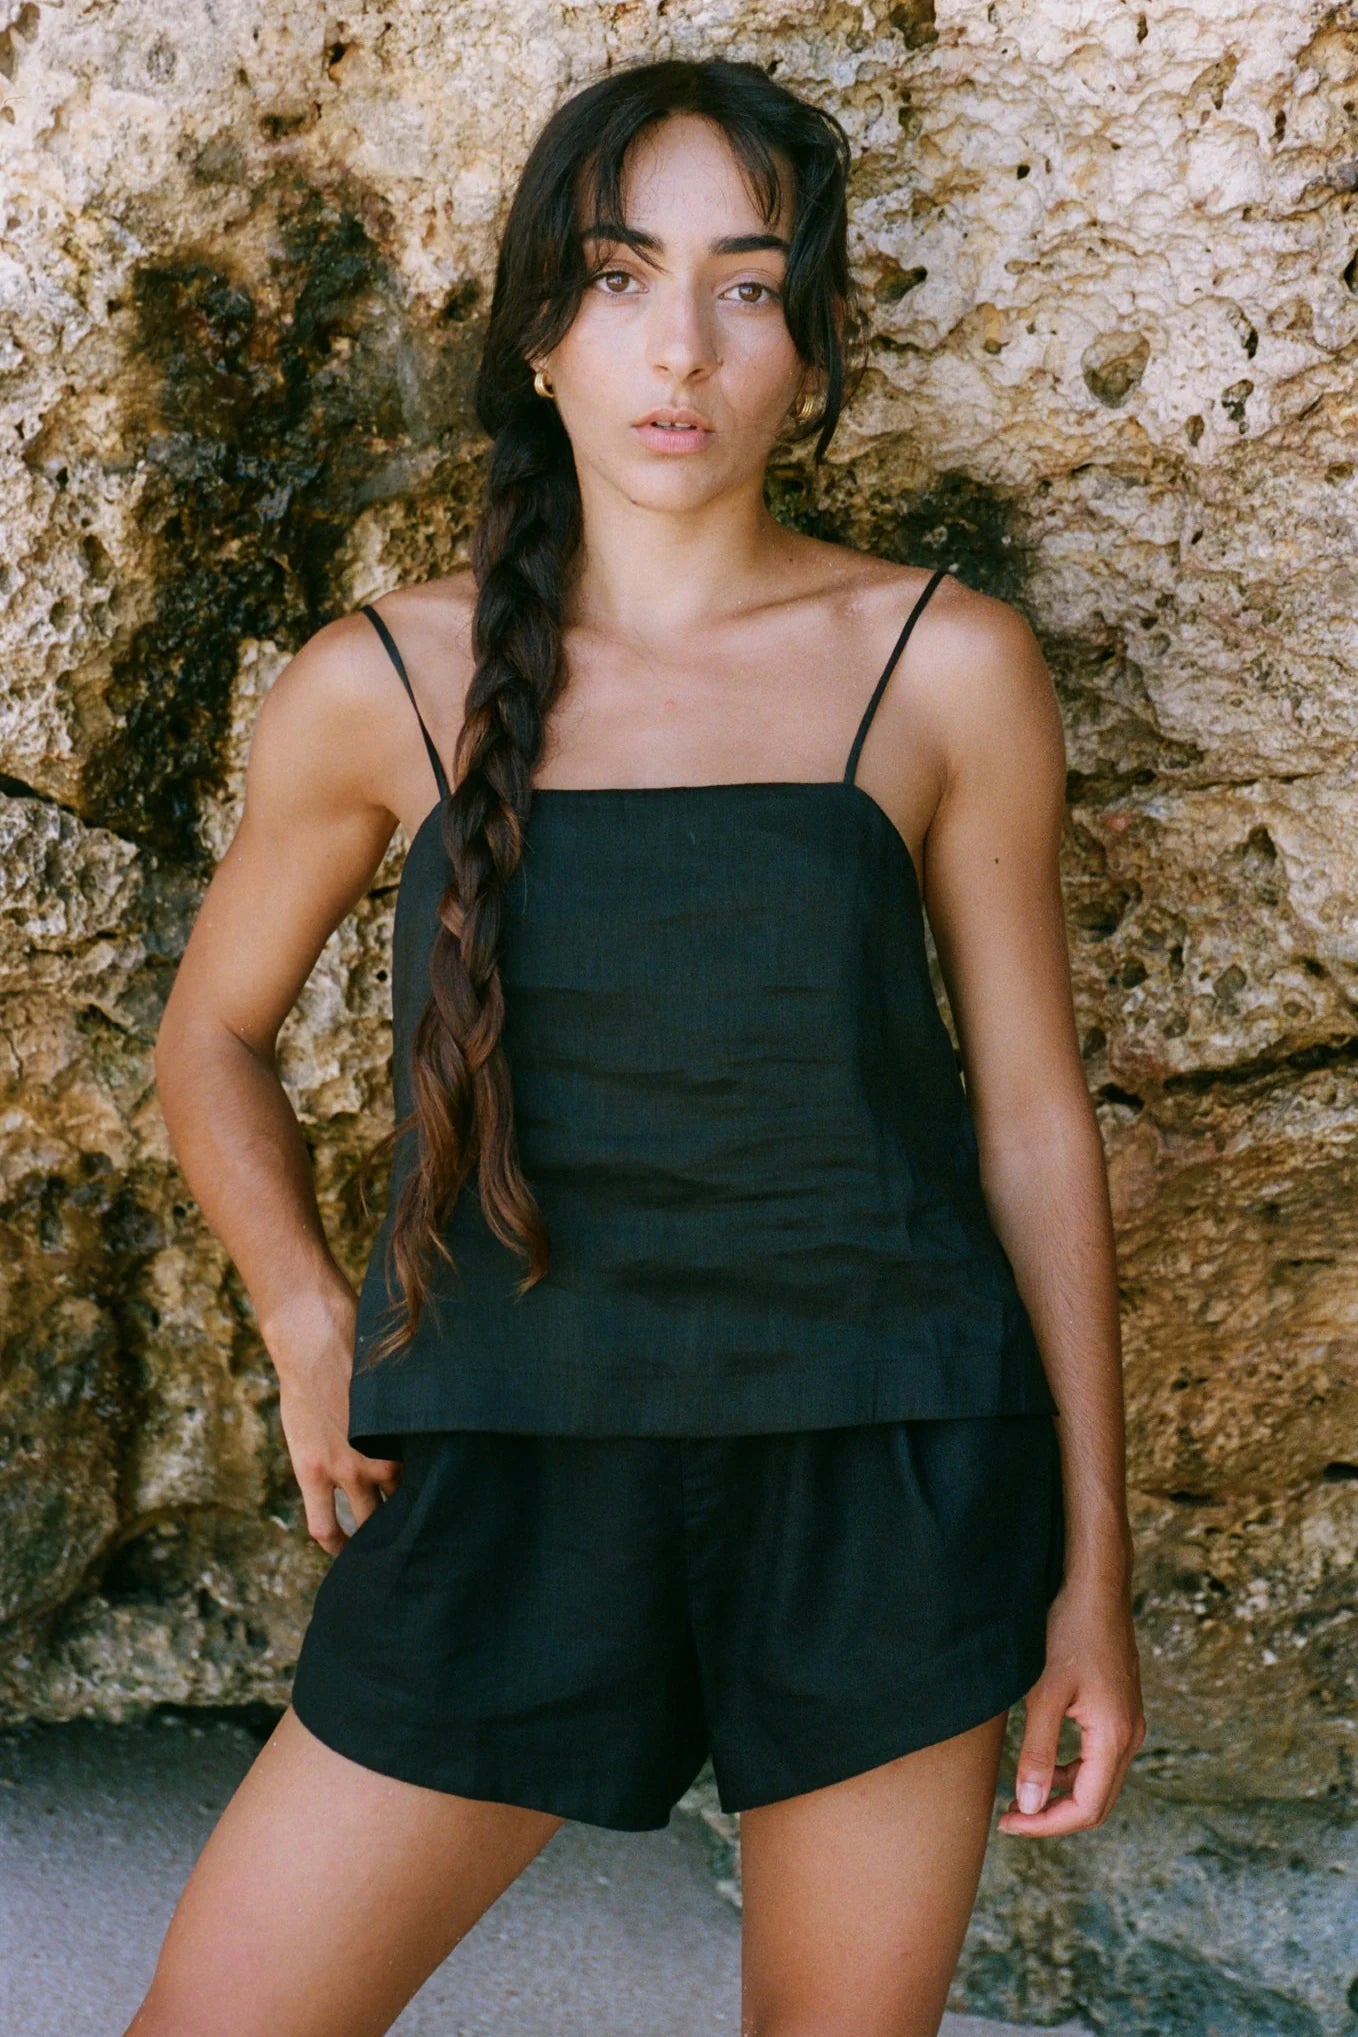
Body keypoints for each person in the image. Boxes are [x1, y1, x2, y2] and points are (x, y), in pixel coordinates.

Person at [131, 54, 1144, 2037]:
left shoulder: (945, 668)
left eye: (750, 286)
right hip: (515, 1462)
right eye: (616, 274)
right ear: (535, 328)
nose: (679, 343)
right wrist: (302, 1311)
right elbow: (210, 1032)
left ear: (816, 347)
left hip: (885, 1475)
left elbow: (1031, 1123)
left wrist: (1091, 1566)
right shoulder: (381, 686)